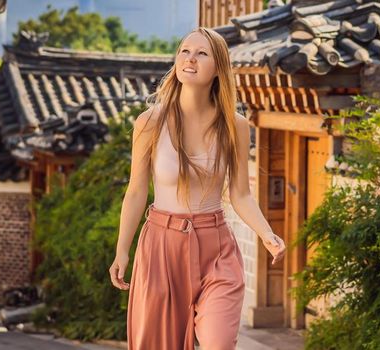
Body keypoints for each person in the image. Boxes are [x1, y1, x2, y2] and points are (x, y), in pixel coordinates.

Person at [108, 27, 287, 350]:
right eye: (184, 51)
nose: (189, 59)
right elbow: (135, 191)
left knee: (219, 343)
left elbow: (240, 193)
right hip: (161, 247)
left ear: (218, 68)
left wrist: (266, 234)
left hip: (216, 248)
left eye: (201, 53)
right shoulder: (149, 123)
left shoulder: (235, 125)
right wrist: (123, 249)